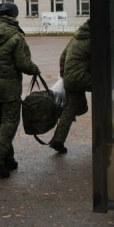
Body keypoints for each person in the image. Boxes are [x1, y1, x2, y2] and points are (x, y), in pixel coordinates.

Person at [0, 1, 40, 178]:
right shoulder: (15, 37)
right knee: (10, 123)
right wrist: (35, 69)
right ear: (13, 16)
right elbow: (23, 63)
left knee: (0, 123)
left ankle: (9, 159)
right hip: (9, 88)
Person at [49, 19, 91, 153]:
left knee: (70, 109)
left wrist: (64, 75)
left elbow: (63, 56)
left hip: (70, 79)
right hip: (81, 78)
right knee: (107, 88)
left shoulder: (76, 37)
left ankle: (58, 140)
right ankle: (105, 131)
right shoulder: (92, 40)